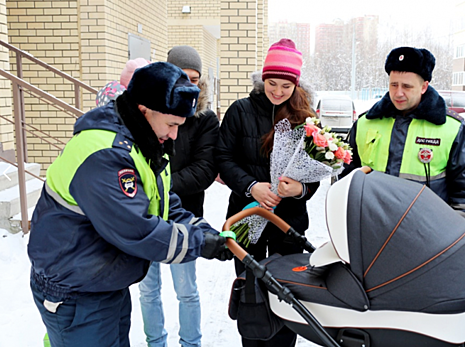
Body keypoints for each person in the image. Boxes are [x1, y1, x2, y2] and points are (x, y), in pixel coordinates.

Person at [28, 62, 233, 347]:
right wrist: (200, 243)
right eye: (172, 124)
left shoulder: (144, 142)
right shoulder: (105, 154)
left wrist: (206, 230)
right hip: (74, 288)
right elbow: (138, 230)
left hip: (103, 279)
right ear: (143, 109)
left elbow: (164, 203)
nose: (174, 135)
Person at [216, 38, 319, 347]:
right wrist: (252, 186)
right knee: (252, 296)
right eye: (272, 83)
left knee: (287, 298)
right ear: (262, 79)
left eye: (285, 86)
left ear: (296, 85)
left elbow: (317, 170)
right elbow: (223, 158)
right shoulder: (240, 111)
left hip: (288, 226)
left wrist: (299, 188)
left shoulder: (306, 118)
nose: (277, 91)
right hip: (246, 219)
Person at [342, 46, 465, 226]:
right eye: (394, 85)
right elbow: (346, 177)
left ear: (424, 87)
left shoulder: (452, 128)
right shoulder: (364, 123)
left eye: (407, 86)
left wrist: (459, 235)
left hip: (426, 233)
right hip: (372, 229)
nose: (398, 93)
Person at [139, 46, 219, 347]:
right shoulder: (150, 113)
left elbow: (204, 170)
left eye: (195, 79)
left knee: (186, 291)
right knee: (148, 290)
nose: (190, 84)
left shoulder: (204, 119)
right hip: (145, 216)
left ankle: (190, 343)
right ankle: (155, 342)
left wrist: (158, 187)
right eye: (183, 76)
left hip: (183, 216)